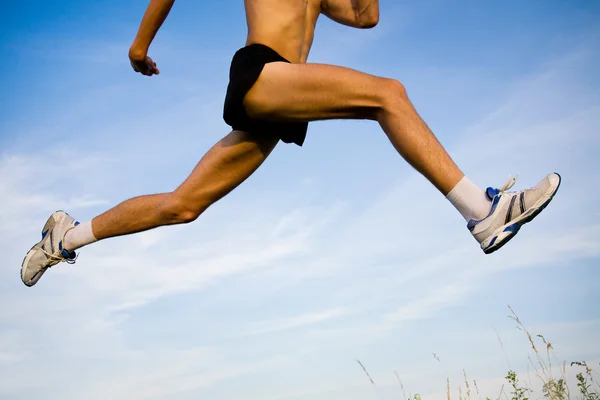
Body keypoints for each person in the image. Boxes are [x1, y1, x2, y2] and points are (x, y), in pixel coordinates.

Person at [20, 0, 561, 287]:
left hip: (285, 98)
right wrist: (140, 46)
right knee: (388, 96)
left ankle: (65, 238)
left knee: (182, 206)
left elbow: (367, 15)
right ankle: (482, 212)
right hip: (261, 74)